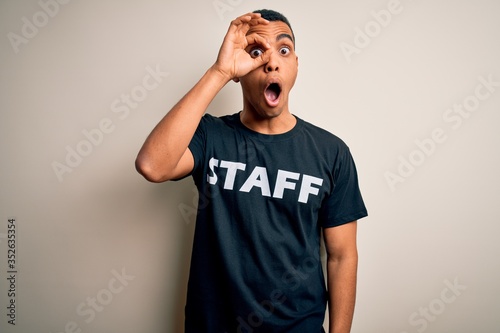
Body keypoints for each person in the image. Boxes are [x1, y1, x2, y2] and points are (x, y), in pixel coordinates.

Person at [135, 9, 368, 333]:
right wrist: (219, 71)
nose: (272, 62)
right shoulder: (209, 136)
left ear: (296, 65)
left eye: (283, 50)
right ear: (240, 67)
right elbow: (152, 165)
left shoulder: (331, 153)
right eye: (256, 52)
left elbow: (342, 256)